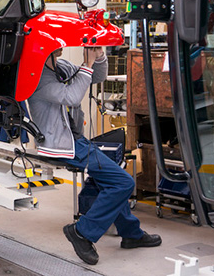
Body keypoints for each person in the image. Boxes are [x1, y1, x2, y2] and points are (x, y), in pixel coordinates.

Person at [28, 47, 161, 265]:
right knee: (123, 182)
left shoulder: (60, 67)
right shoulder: (38, 76)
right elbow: (71, 96)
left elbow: (97, 77)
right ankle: (82, 232)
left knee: (109, 179)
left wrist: (98, 56)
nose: (63, 43)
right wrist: (86, 64)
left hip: (75, 140)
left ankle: (131, 234)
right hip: (60, 145)